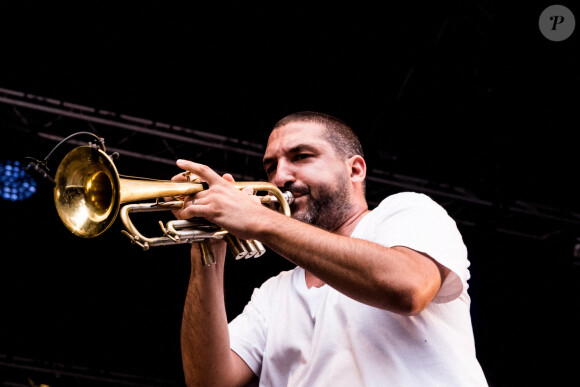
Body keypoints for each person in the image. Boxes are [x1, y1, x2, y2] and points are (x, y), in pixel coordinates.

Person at [173, 111, 488, 386]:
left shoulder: (408, 211)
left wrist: (258, 220)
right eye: (271, 167)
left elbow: (409, 288)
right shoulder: (272, 295)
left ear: (355, 170)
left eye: (301, 156)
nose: (280, 176)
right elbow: (208, 381)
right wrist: (207, 251)